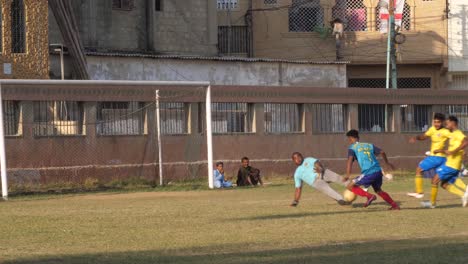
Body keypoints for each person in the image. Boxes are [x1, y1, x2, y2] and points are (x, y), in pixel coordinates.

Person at [344, 129, 400, 210]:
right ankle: (395, 206)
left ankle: (370, 196)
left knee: (350, 186)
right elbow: (382, 152)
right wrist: (387, 163)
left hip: (368, 172)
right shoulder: (369, 145)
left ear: (350, 138)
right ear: (358, 137)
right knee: (378, 190)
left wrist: (347, 175)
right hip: (378, 171)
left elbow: (349, 161)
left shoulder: (352, 148)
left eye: (349, 139)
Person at [421, 116, 468, 208]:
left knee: (434, 180)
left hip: (452, 164)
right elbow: (452, 150)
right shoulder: (453, 134)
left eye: (447, 123)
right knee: (444, 184)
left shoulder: (458, 133)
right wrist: (441, 151)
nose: (446, 125)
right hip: (451, 163)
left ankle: (432, 204)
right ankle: (464, 195)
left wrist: (454, 151)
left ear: (453, 123)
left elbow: (466, 141)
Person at [407, 113, 450, 199]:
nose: (436, 124)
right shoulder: (432, 129)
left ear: (443, 122)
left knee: (419, 169)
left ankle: (419, 192)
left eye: (438, 122)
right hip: (441, 159)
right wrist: (416, 137)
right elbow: (424, 137)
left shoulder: (446, 131)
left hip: (436, 157)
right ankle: (463, 192)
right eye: (435, 122)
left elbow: (456, 138)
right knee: (441, 183)